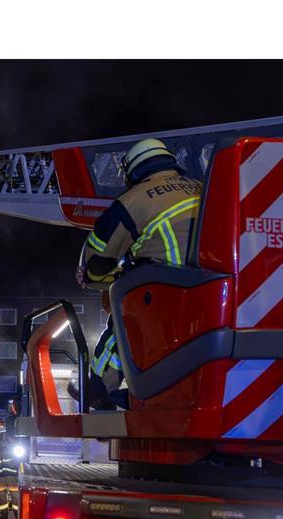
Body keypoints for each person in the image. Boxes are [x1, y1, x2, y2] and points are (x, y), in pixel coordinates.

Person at [72, 138, 202, 409]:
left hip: (167, 292)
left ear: (132, 172)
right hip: (211, 293)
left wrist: (92, 277)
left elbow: (98, 256)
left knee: (123, 319)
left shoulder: (133, 200)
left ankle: (98, 386)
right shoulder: (204, 189)